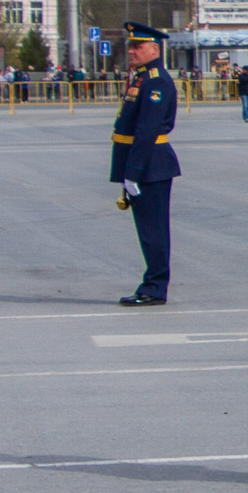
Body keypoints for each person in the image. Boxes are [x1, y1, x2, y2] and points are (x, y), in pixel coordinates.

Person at [111, 22, 180, 306]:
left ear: (155, 49)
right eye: (131, 47)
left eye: (138, 46)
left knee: (154, 230)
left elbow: (147, 131)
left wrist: (133, 172)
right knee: (148, 229)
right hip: (143, 163)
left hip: (150, 164)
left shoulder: (156, 81)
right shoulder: (142, 78)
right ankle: (152, 283)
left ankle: (154, 287)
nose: (132, 51)